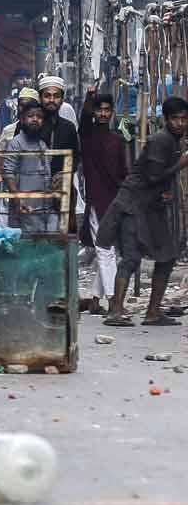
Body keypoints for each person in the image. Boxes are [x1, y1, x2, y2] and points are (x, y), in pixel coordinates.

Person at [98, 96, 188, 327]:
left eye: (184, 119)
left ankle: (153, 312)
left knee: (167, 257)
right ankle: (115, 310)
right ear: (166, 120)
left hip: (149, 207)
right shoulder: (162, 140)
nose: (180, 123)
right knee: (131, 257)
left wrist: (165, 193)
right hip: (134, 205)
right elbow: (152, 177)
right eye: (175, 119)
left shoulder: (173, 141)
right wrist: (181, 164)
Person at [79, 87, 125, 315]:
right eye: (100, 110)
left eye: (107, 110)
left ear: (112, 112)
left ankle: (96, 299)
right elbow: (85, 117)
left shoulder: (117, 140)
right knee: (105, 250)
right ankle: (113, 300)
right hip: (97, 201)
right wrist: (89, 98)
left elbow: (123, 172)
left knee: (109, 252)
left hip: (115, 200)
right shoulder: (87, 135)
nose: (104, 114)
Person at [2, 103, 57, 232]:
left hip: (44, 209)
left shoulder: (42, 144)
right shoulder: (16, 143)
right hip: (25, 209)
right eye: (30, 116)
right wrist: (18, 200)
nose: (35, 119)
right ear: (22, 119)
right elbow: (8, 173)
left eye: (39, 117)